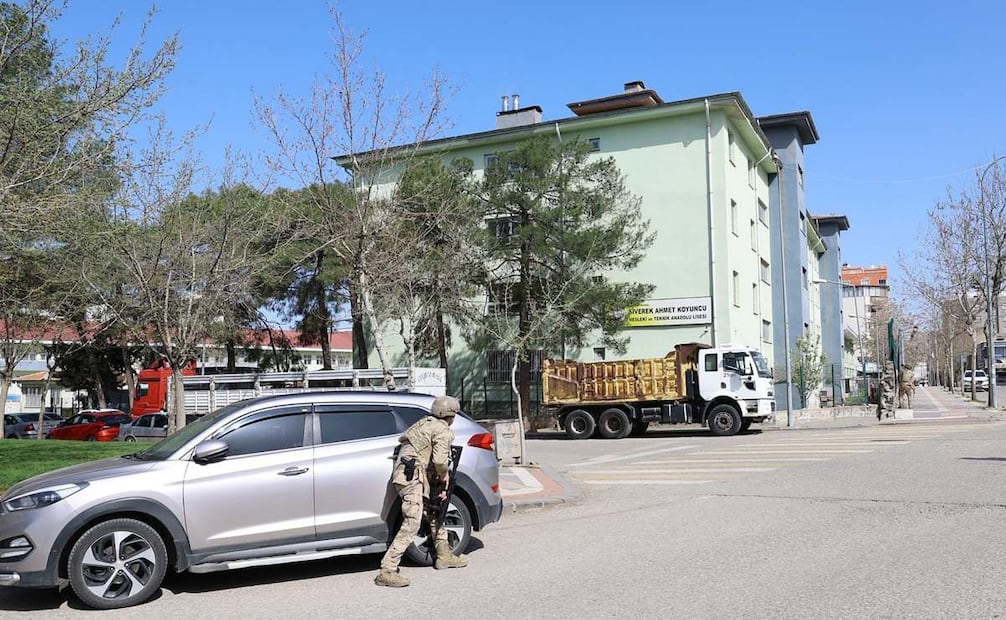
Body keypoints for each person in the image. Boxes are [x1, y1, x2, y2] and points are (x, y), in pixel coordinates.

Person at [375, 395, 469, 587]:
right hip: (413, 478)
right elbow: (441, 461)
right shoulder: (443, 430)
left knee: (434, 511)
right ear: (451, 415)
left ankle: (443, 555)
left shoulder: (423, 423)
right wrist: (444, 476)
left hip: (411, 475)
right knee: (412, 521)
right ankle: (387, 569)